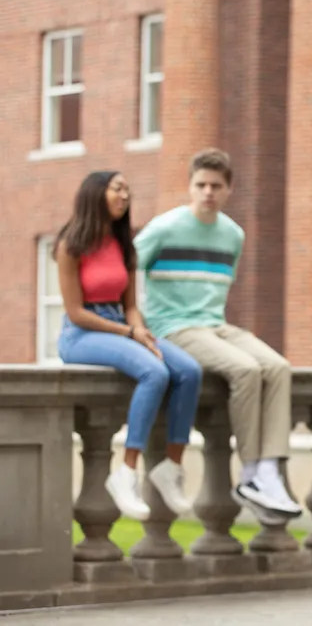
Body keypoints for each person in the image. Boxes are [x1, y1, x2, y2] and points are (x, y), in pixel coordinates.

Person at [134, 149, 302, 527]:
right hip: (171, 327)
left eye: (216, 186)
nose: (208, 192)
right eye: (201, 185)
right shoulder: (163, 228)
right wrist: (134, 324)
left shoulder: (233, 235)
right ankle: (251, 474)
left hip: (214, 324)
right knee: (244, 369)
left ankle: (269, 471)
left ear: (229, 190)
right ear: (190, 187)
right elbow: (126, 271)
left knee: (277, 366)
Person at [55, 171, 203, 521]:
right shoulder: (70, 246)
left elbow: (131, 305)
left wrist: (139, 329)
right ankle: (126, 472)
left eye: (127, 190)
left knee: (189, 370)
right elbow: (76, 313)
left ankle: (171, 466)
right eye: (117, 188)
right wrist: (128, 333)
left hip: (122, 327)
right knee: (153, 371)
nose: (125, 195)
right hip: (82, 334)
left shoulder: (123, 245)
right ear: (95, 193)